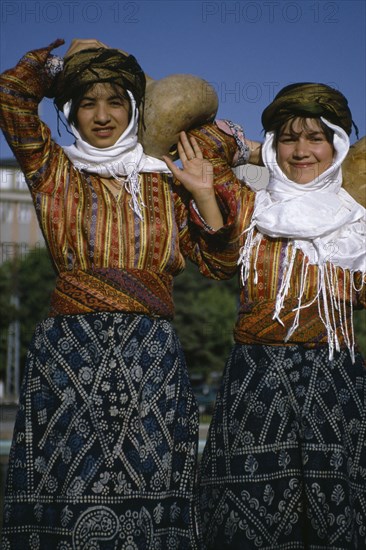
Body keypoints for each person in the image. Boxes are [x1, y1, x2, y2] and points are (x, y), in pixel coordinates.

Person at [0, 38, 243, 549]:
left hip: (150, 356)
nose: (103, 116)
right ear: (70, 111)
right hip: (69, 355)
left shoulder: (168, 180)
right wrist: (64, 66)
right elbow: (11, 97)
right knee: (65, 482)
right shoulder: (53, 170)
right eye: (87, 102)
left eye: (117, 101)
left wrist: (203, 195)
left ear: (135, 109)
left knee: (152, 484)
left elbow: (220, 265)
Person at [171, 83, 366, 548]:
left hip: (335, 382)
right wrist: (255, 152)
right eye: (288, 137)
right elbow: (217, 262)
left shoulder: (356, 220)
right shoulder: (251, 205)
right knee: (247, 519)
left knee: (336, 519)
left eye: (315, 137)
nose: (301, 151)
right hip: (255, 379)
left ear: (337, 143)